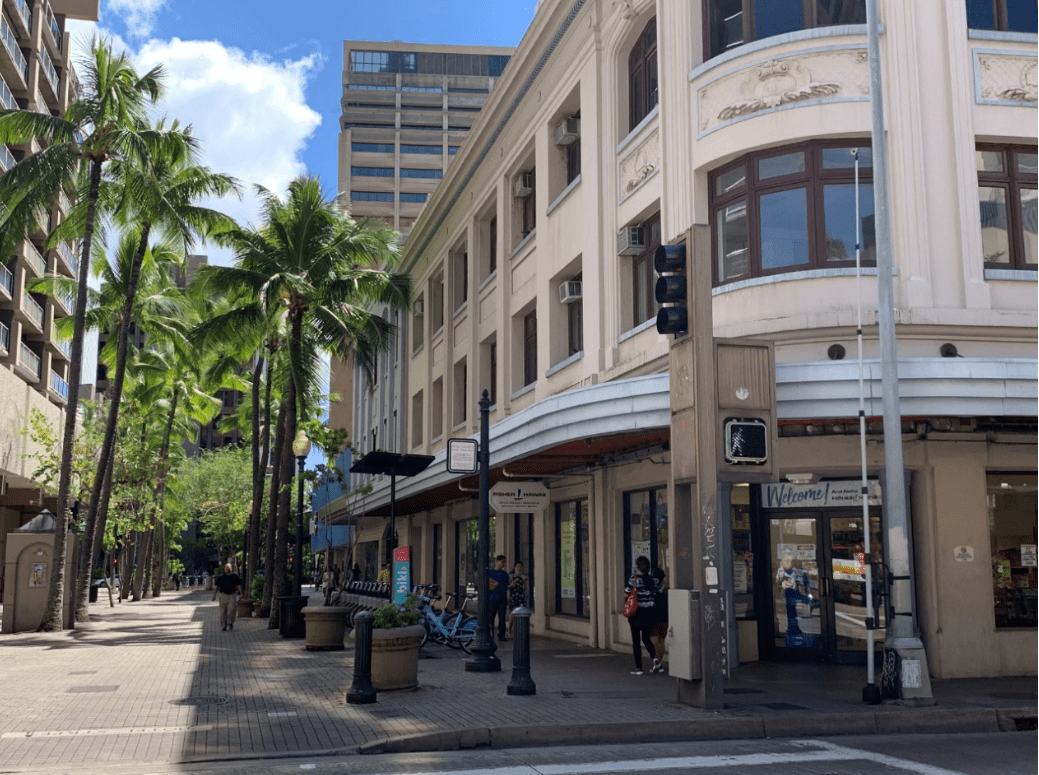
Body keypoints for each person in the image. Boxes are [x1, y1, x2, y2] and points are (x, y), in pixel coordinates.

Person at [624, 556, 659, 675]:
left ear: (637, 566)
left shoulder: (634, 579)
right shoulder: (654, 580)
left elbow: (627, 593)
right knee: (646, 638)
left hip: (636, 613)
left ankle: (638, 668)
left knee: (636, 640)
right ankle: (654, 658)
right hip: (650, 612)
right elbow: (658, 592)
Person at [212, 563, 244, 631]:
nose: (227, 569)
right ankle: (223, 625)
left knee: (232, 609)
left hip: (232, 595)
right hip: (223, 595)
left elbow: (238, 585)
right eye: (226, 567)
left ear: (231, 568)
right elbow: (216, 587)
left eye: (228, 567)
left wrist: (241, 593)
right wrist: (214, 595)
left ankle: (230, 622)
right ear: (224, 569)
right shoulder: (221, 577)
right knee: (223, 612)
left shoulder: (235, 576)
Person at [649, 567, 668, 673]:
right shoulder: (666, 590)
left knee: (655, 641)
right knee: (661, 641)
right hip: (665, 618)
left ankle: (657, 663)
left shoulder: (651, 590)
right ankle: (659, 662)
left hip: (654, 619)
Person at [488, 555, 510, 641]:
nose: (504, 564)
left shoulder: (504, 574)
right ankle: (490, 634)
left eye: (505, 562)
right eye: (502, 562)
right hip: (492, 598)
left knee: (502, 618)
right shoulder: (490, 572)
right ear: (497, 562)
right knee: (491, 618)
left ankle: (502, 635)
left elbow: (505, 585)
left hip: (502, 599)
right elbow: (490, 586)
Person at [507, 561, 528, 637]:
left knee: (520, 615)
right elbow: (506, 587)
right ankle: (509, 630)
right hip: (513, 597)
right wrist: (511, 585)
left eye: (521, 567)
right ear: (515, 567)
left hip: (520, 597)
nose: (519, 568)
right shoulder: (510, 576)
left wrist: (524, 582)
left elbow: (525, 589)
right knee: (512, 616)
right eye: (518, 566)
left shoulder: (523, 577)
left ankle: (517, 631)